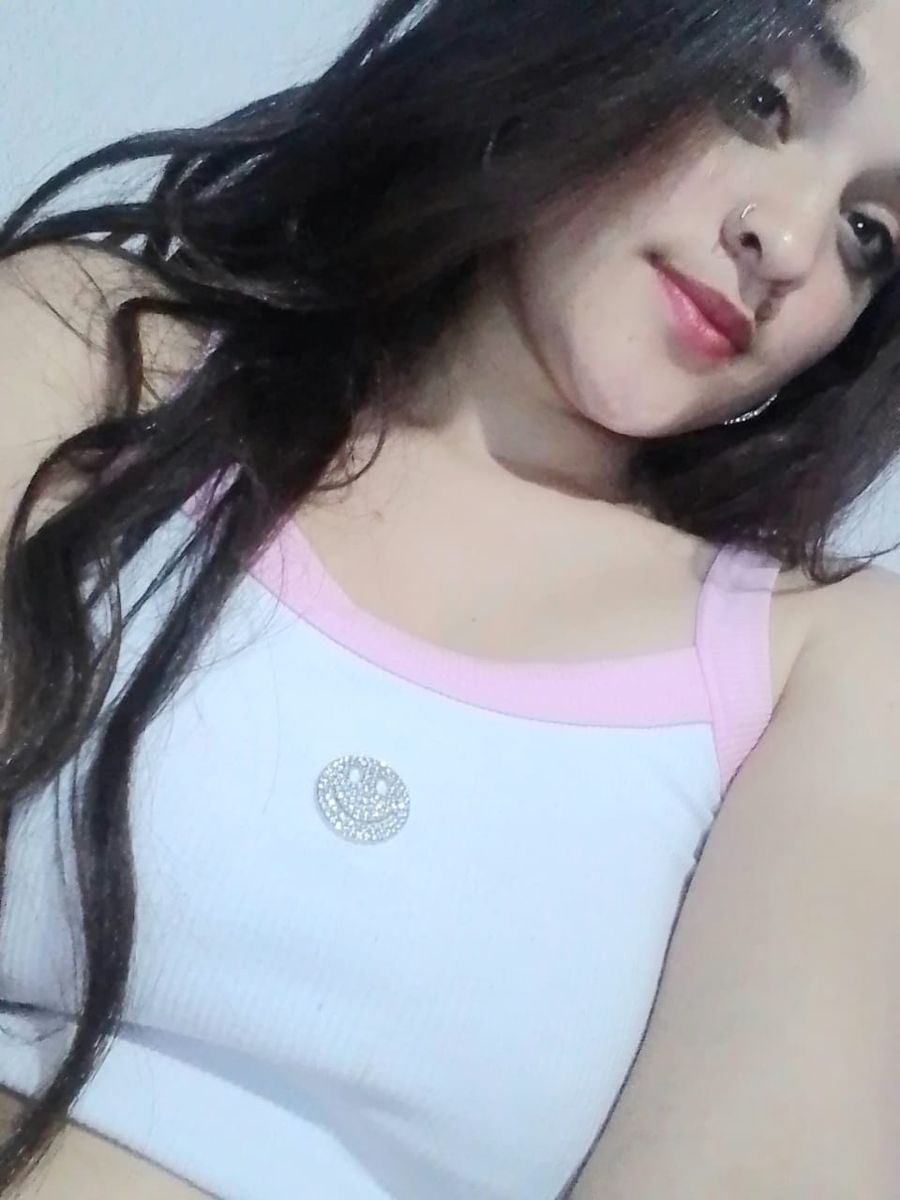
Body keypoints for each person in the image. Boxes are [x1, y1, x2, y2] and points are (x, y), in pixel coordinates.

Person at [0, 0, 899, 1196]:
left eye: (868, 233)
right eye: (761, 100)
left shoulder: (821, 660)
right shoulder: (99, 357)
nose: (786, 242)